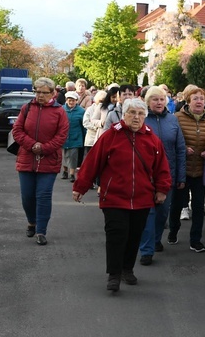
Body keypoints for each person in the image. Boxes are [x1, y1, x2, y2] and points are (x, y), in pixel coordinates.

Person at [72, 98, 171, 292]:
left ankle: (127, 268)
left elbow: (162, 168)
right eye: (132, 113)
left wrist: (162, 189)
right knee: (116, 236)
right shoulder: (111, 136)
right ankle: (114, 274)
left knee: (134, 236)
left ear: (145, 116)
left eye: (141, 114)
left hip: (142, 199)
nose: (136, 117)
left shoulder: (152, 139)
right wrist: (80, 187)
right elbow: (92, 163)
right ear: (123, 115)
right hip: (114, 197)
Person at [12, 77, 69, 246]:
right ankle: (32, 221)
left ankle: (41, 231)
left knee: (43, 196)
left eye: (44, 93)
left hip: (49, 160)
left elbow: (61, 136)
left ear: (53, 93)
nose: (40, 96)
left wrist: (44, 148)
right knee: (27, 196)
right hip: (26, 157)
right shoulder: (27, 108)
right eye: (37, 92)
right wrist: (32, 145)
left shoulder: (60, 112)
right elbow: (17, 130)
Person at [138, 86, 187, 266]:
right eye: (155, 99)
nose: (159, 103)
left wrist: (180, 176)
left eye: (161, 99)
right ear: (147, 102)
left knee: (161, 213)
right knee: (148, 213)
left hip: (167, 176)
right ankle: (146, 249)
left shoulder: (173, 120)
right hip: (145, 175)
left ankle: (156, 238)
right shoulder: (141, 119)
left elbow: (180, 149)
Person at [167, 85, 205, 252]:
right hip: (182, 171)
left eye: (202, 98)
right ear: (188, 101)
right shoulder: (177, 117)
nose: (199, 101)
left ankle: (195, 240)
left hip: (200, 171)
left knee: (197, 207)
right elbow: (171, 141)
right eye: (195, 98)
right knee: (177, 204)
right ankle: (173, 231)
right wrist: (183, 148)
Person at [61, 91, 85, 183]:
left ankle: (72, 174)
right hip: (63, 136)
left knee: (73, 156)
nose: (71, 102)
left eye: (73, 101)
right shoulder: (61, 109)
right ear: (66, 100)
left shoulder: (81, 111)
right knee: (65, 155)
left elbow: (83, 125)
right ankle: (65, 171)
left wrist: (84, 137)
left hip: (76, 136)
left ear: (76, 101)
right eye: (69, 100)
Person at [82, 90, 108, 159]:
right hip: (91, 139)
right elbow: (85, 122)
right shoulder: (90, 109)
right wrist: (96, 127)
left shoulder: (107, 109)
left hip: (102, 138)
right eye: (100, 100)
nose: (101, 102)